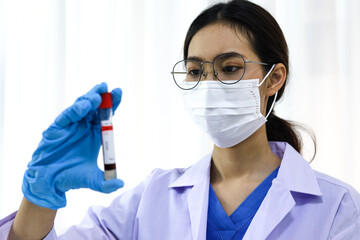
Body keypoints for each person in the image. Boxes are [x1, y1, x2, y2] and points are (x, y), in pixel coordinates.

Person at [1, 0, 360, 239]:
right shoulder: (152, 198)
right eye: (195, 71)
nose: (209, 84)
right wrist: (41, 195)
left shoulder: (337, 207)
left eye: (230, 68)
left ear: (274, 79)